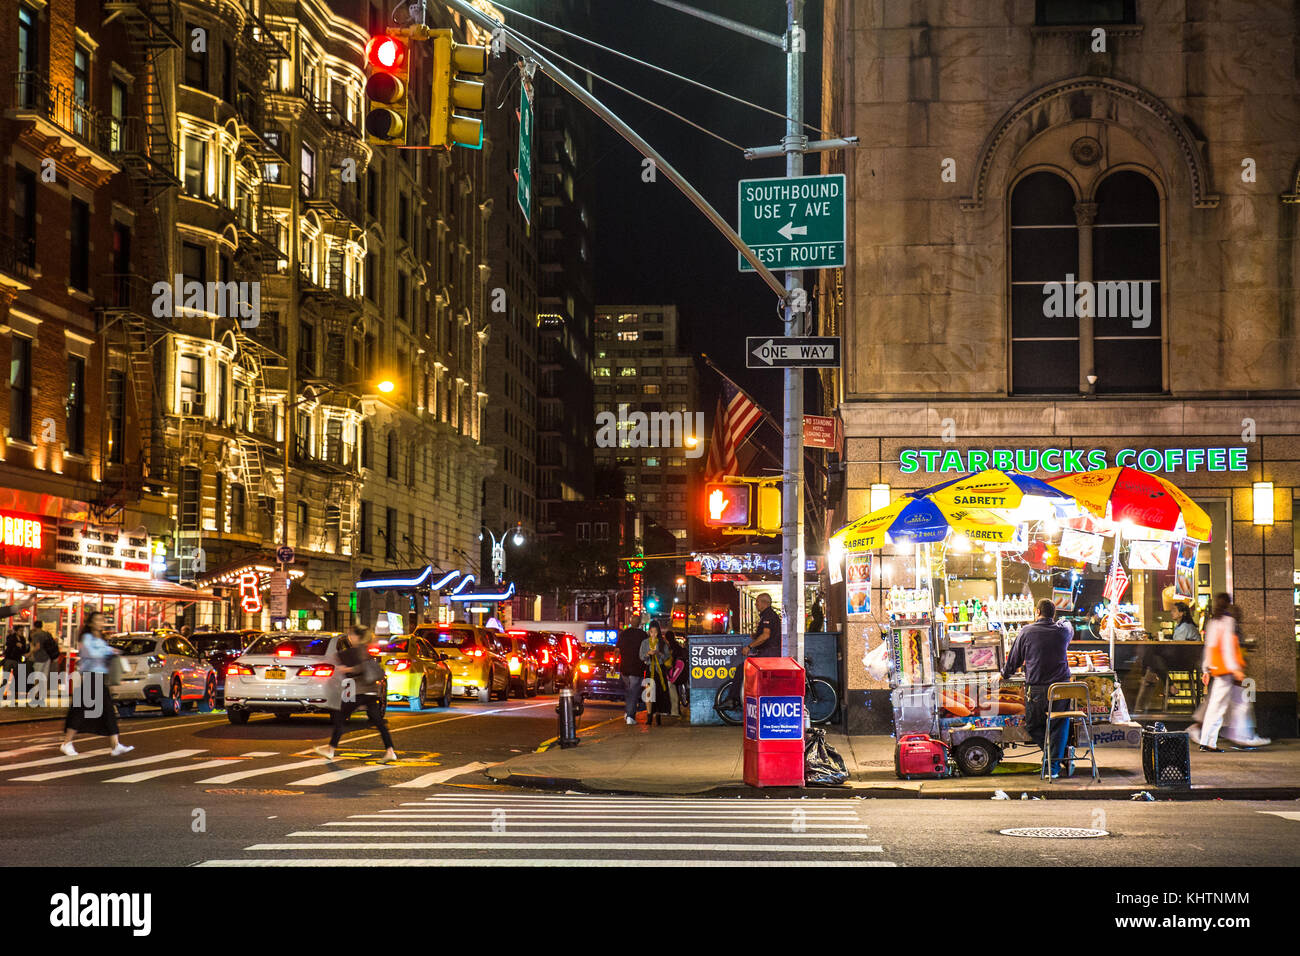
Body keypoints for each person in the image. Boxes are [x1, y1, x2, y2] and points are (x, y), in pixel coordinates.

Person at [1001, 599, 1074, 777]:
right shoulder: (1063, 630)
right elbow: (1068, 624)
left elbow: (1014, 659)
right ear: (1053, 614)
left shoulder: (1026, 631)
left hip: (1037, 688)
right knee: (1058, 726)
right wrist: (1060, 620)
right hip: (1061, 688)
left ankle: (1052, 762)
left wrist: (1004, 674)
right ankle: (1054, 760)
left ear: (1037, 612)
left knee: (1034, 726)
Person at [315, 626, 397, 762]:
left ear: (357, 637)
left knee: (340, 718)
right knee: (378, 722)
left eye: (351, 635)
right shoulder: (367, 649)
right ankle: (390, 751)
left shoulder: (357, 651)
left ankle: (330, 749)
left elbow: (361, 667)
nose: (349, 637)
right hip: (371, 691)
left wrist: (348, 669)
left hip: (358, 690)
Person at [60, 612, 133, 757]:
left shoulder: (101, 638)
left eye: (102, 620)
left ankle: (115, 744)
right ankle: (66, 742)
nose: (101, 623)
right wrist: (109, 651)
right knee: (80, 710)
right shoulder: (87, 638)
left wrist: (111, 652)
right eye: (98, 620)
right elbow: (90, 653)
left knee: (108, 711)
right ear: (91, 623)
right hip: (89, 676)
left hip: (100, 677)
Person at [726, 593, 782, 707]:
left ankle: (732, 699)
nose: (756, 604)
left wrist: (749, 646)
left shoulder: (768, 615)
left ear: (764, 603)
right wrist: (756, 636)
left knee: (742, 668)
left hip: (769, 653)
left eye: (757, 602)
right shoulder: (767, 615)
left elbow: (766, 635)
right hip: (770, 652)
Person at [616, 614, 648, 725]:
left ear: (630, 621)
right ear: (639, 623)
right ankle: (630, 715)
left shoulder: (624, 634)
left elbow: (617, 650)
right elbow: (646, 652)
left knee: (629, 691)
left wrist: (612, 664)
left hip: (624, 668)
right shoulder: (643, 635)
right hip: (636, 668)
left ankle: (628, 712)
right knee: (633, 692)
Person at [640, 620, 673, 727]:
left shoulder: (662, 642)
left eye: (655, 632)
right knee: (649, 694)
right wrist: (647, 654)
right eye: (651, 632)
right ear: (649, 632)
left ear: (658, 632)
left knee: (659, 694)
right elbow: (641, 656)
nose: (653, 634)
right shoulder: (645, 642)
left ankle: (658, 715)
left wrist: (659, 653)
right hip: (649, 669)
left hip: (660, 671)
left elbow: (667, 656)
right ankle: (649, 716)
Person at [664, 628, 688, 716]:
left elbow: (670, 660)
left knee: (672, 691)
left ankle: (674, 710)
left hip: (672, 671)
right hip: (679, 672)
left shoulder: (669, 647)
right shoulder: (677, 646)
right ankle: (676, 709)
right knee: (676, 691)